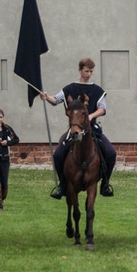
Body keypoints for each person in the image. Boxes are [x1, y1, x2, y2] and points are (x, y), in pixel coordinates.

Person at [41, 57, 116, 199]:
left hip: (92, 129)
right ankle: (62, 185)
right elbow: (56, 100)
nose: (89, 74)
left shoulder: (97, 90)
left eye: (91, 71)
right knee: (57, 155)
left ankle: (105, 184)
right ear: (80, 70)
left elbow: (102, 109)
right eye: (86, 71)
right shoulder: (70, 88)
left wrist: (91, 115)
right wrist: (46, 96)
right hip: (74, 128)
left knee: (111, 153)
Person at [0, 109, 18, 210]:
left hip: (4, 158)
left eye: (1, 117)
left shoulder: (7, 128)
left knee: (4, 184)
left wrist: (7, 142)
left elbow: (16, 139)